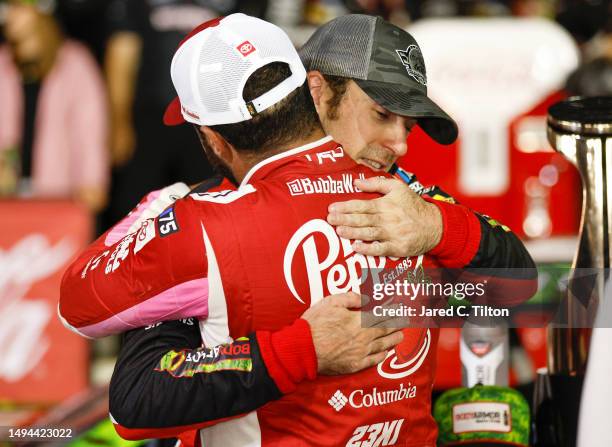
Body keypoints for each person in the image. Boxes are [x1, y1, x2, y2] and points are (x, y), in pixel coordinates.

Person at [59, 14, 537, 446]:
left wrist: (437, 228)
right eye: (382, 114)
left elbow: (126, 392)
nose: (400, 144)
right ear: (313, 91)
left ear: (212, 137)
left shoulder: (409, 208)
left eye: (409, 127)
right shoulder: (215, 217)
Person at [0, 0, 108, 211]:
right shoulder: (3, 62)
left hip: (59, 196)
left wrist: (92, 180)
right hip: (6, 200)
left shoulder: (75, 62)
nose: (8, 16)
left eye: (17, 8)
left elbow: (89, 128)